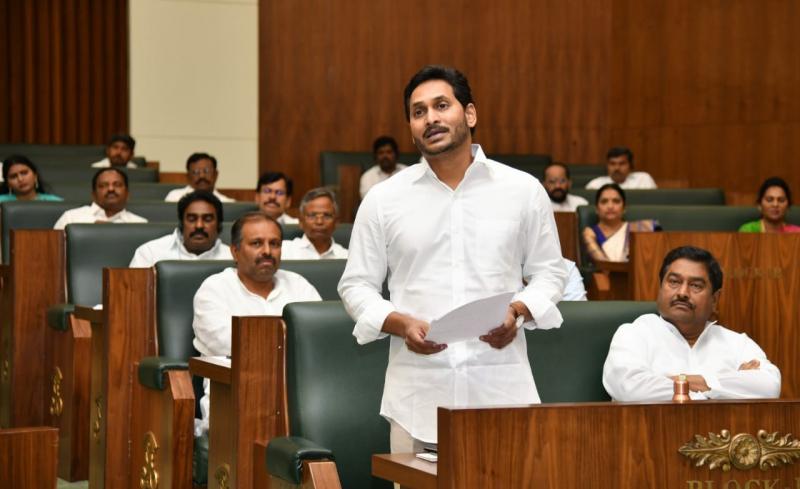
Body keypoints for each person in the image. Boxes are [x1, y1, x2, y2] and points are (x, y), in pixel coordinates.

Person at [338, 65, 567, 449]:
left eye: (441, 105)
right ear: (411, 128)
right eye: (418, 112)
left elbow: (551, 273)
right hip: (417, 399)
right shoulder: (383, 199)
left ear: (470, 114)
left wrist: (518, 311)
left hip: (501, 390)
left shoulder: (523, 190)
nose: (430, 118)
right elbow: (356, 286)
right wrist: (400, 323)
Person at [192, 212, 321, 434]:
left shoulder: (299, 285)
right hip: (236, 402)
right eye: (256, 243)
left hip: (303, 399)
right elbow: (233, 348)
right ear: (235, 251)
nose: (267, 251)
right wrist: (293, 348)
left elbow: (319, 341)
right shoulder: (214, 290)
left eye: (275, 244)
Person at [603, 246, 781, 401]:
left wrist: (693, 383)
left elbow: (769, 386)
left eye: (696, 285)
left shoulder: (737, 343)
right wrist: (725, 388)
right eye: (674, 282)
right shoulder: (634, 334)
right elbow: (630, 388)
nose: (682, 292)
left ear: (714, 299)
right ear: (660, 287)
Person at [130, 191, 232, 267]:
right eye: (192, 219)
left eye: (207, 219)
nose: (199, 225)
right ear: (181, 223)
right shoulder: (150, 253)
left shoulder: (232, 258)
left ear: (219, 224)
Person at [582, 183, 659, 263]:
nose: (610, 206)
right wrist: (589, 238)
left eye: (616, 201)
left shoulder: (639, 229)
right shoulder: (590, 233)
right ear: (597, 209)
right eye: (604, 202)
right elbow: (603, 264)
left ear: (624, 208)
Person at [54, 168, 147, 229]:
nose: (111, 189)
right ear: (93, 194)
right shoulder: (71, 218)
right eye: (103, 185)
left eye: (117, 185)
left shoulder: (141, 224)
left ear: (127, 193)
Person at [281, 187, 348, 259]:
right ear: (301, 221)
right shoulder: (284, 251)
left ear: (336, 222)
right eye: (312, 216)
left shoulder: (346, 256)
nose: (319, 222)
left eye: (326, 216)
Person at [164, 153, 235, 203]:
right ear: (188, 176)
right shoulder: (174, 198)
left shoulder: (227, 203)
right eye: (196, 172)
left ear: (215, 174)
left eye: (206, 171)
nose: (202, 176)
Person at [585, 147, 657, 190]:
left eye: (622, 163)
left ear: (630, 165)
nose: (617, 168)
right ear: (607, 166)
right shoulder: (595, 185)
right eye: (612, 164)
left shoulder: (644, 179)